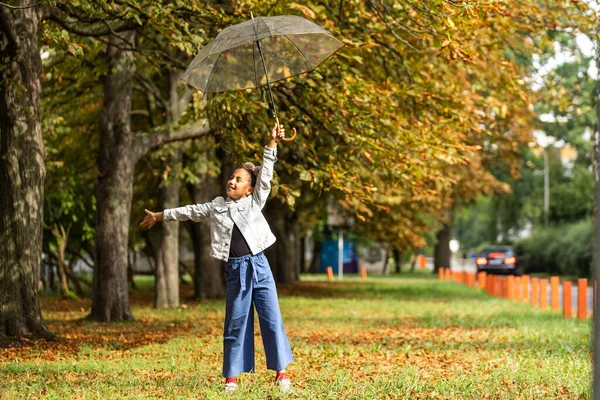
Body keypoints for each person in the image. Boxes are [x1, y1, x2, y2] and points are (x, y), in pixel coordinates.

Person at [140, 123, 295, 393]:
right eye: (232, 177)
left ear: (249, 189)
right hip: (235, 269)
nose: (232, 181)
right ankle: (231, 377)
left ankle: (281, 373)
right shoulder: (217, 206)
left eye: (239, 180)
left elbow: (267, 174)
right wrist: (160, 215)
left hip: (259, 266)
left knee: (271, 319)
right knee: (235, 321)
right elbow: (188, 211)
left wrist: (272, 143)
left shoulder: (255, 201)